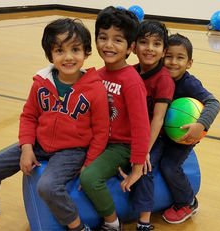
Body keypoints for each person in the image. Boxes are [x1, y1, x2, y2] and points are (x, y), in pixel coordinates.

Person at [0, 18, 110, 231]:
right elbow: (29, 116)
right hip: (38, 144)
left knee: (48, 187)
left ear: (86, 53)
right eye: (60, 50)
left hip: (72, 151)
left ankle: (77, 226)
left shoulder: (95, 89)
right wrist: (26, 147)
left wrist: (89, 164)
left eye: (76, 49)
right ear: (50, 55)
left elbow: (101, 132)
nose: (68, 57)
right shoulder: (42, 82)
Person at [80, 6, 150, 231]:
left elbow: (141, 126)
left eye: (117, 40)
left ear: (130, 47)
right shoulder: (97, 76)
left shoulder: (131, 81)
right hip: (99, 141)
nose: (108, 45)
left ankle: (112, 224)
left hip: (121, 147)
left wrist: (138, 167)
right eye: (103, 37)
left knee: (89, 178)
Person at [159, 33, 220, 224]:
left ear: (189, 62)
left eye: (180, 58)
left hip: (184, 136)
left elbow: (214, 103)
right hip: (162, 133)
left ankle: (187, 201)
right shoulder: (159, 78)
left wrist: (200, 125)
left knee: (168, 166)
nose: (173, 62)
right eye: (169, 56)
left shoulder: (189, 83)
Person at [120, 20, 175, 231]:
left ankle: (144, 221)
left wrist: (144, 151)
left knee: (144, 170)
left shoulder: (164, 80)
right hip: (130, 133)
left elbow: (158, 120)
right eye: (143, 42)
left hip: (154, 137)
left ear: (164, 51)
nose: (149, 48)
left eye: (156, 44)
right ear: (133, 47)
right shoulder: (130, 72)